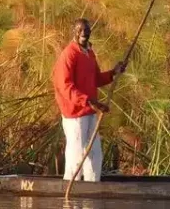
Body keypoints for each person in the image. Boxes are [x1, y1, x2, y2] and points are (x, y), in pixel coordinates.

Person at [52, 18, 125, 182]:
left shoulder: (89, 53)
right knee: (76, 155)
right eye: (80, 30)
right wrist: (89, 101)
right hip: (75, 114)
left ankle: (92, 189)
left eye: (87, 30)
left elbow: (96, 79)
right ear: (75, 32)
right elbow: (65, 87)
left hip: (90, 111)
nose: (84, 33)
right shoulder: (68, 55)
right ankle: (71, 188)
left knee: (94, 154)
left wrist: (113, 72)